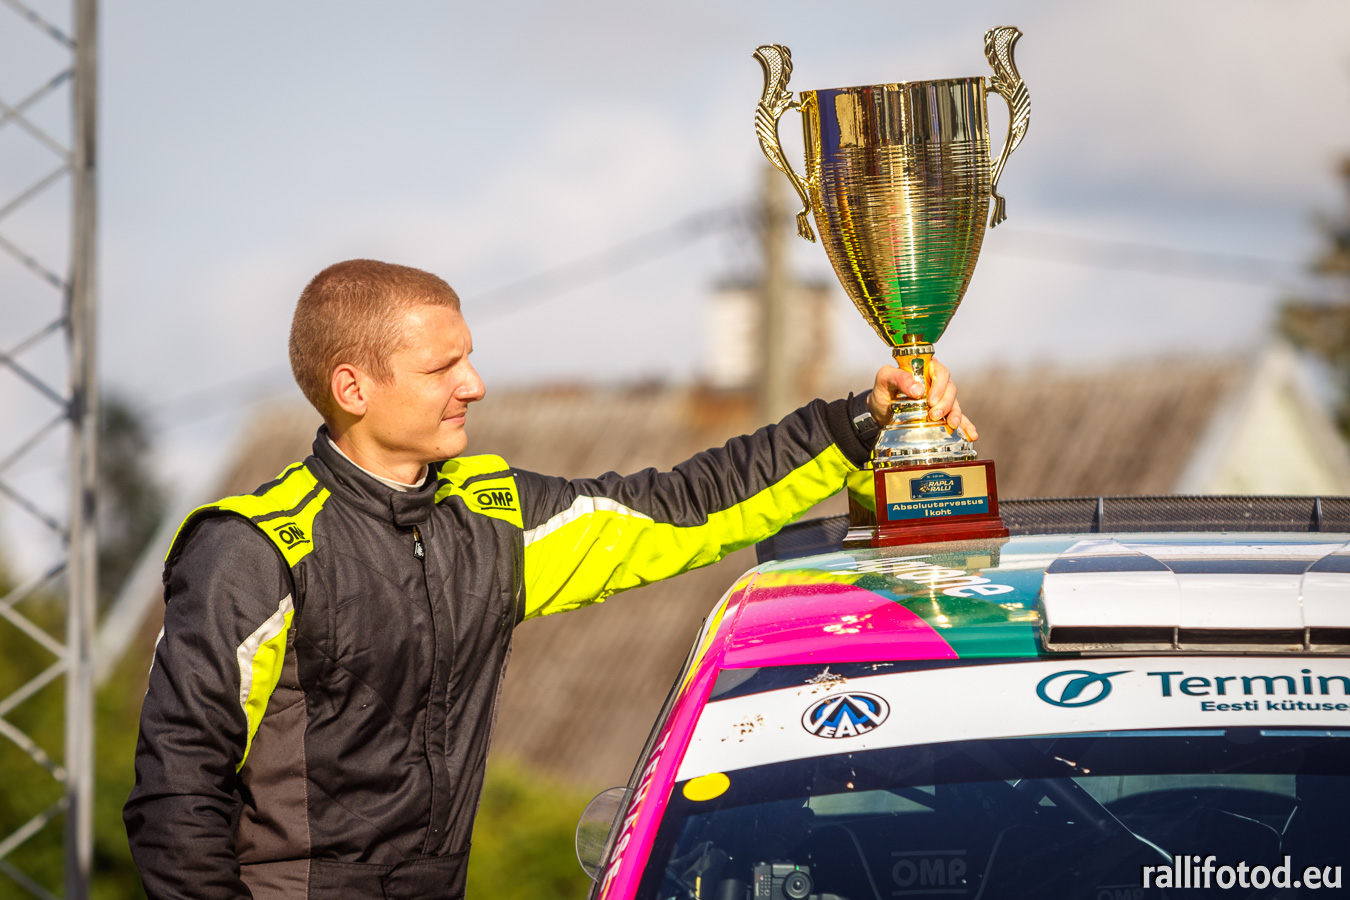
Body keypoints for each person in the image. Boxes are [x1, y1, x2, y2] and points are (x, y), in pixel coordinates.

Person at [123, 259, 976, 900]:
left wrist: (858, 424)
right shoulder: (252, 549)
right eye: (442, 368)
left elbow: (683, 507)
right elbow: (175, 789)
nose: (474, 385)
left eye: (469, 359)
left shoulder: (491, 515)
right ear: (353, 386)